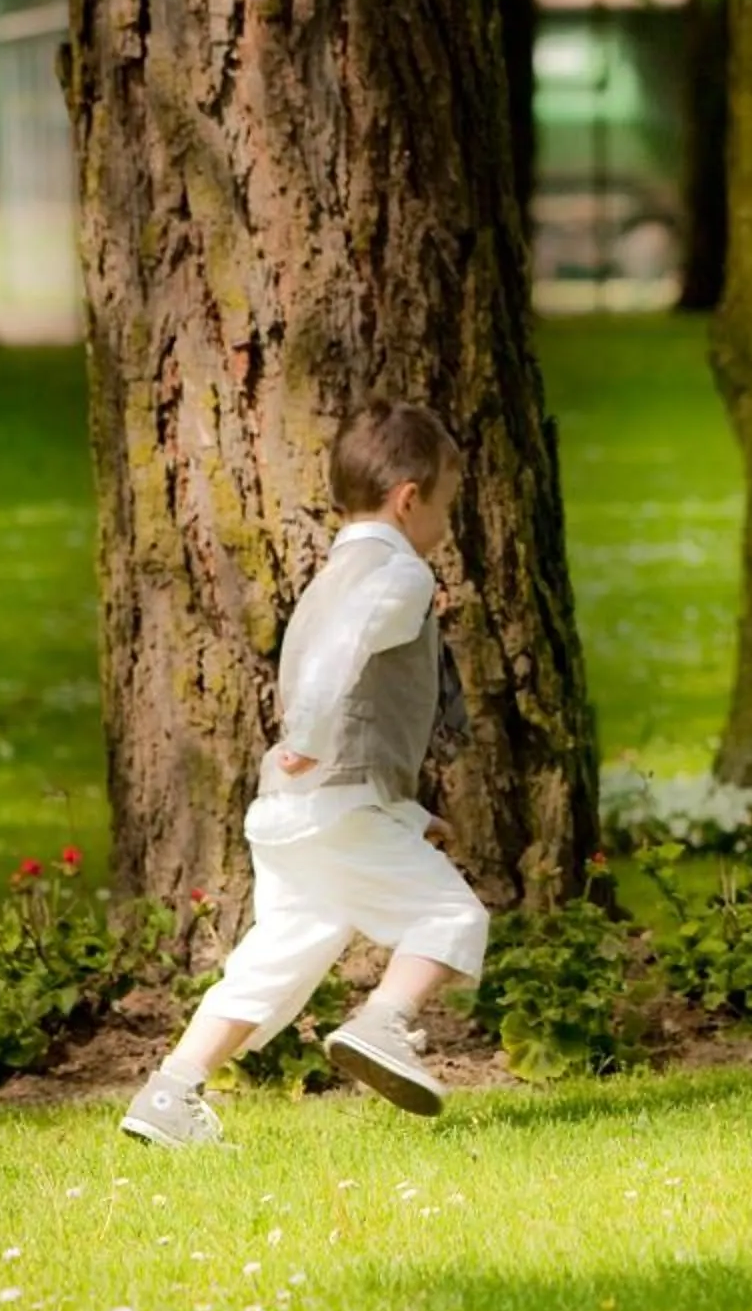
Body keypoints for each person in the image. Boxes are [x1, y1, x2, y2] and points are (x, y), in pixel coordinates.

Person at [120, 399, 491, 1146]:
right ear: (408, 498)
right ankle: (384, 1025)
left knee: (279, 957)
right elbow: (337, 668)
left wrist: (409, 814)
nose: (447, 527)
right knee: (452, 917)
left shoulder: (331, 577)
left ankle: (170, 1093)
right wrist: (312, 737)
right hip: (335, 797)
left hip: (295, 809)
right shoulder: (398, 576)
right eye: (446, 507)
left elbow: (349, 689)